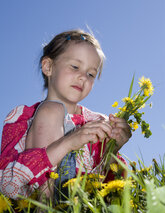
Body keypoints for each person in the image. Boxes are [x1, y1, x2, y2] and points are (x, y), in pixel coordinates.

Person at [0, 29, 131, 202]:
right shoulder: (23, 117)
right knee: (51, 110)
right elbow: (7, 184)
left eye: (91, 74)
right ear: (48, 67)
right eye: (75, 67)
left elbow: (107, 189)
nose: (83, 77)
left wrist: (112, 149)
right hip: (29, 211)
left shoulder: (96, 123)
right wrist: (69, 142)